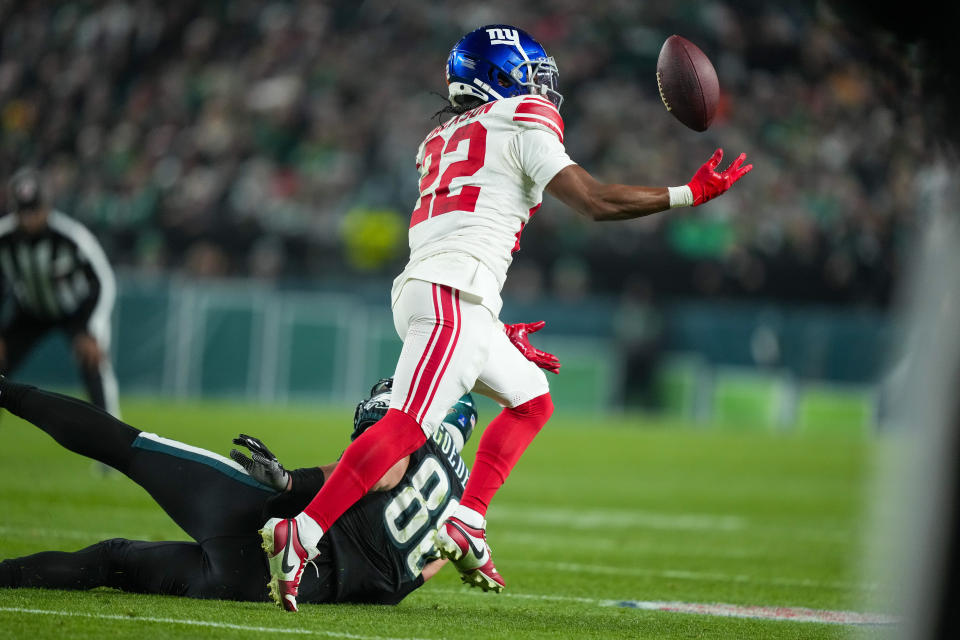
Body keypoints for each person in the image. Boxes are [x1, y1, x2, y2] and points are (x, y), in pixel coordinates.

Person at [261, 24, 753, 611]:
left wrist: (486, 328)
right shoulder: (522, 117)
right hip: (451, 292)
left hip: (448, 292)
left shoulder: (443, 135)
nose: (543, 88)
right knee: (405, 428)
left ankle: (468, 519)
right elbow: (593, 202)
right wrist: (686, 196)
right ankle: (305, 531)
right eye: (533, 74)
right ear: (505, 77)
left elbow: (470, 218)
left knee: (531, 398)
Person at [0, 376, 477, 606]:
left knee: (129, 448)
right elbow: (411, 578)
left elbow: (381, 467)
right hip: (268, 588)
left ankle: (8, 393)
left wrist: (293, 482)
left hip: (265, 523)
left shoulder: (412, 422)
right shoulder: (462, 507)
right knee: (112, 559)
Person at [0, 168, 120, 417]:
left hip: (75, 310)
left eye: (35, 210)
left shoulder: (71, 235)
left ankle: (112, 441)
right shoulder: (5, 237)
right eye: (23, 211)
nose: (29, 219)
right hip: (29, 311)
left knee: (93, 361)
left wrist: (91, 328)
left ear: (47, 205)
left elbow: (103, 280)